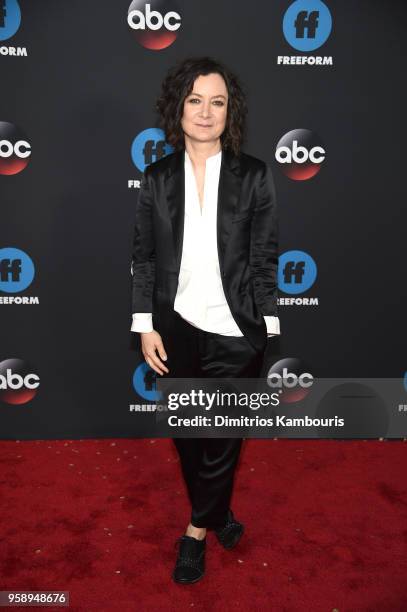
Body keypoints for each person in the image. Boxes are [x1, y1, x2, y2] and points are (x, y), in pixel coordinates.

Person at [130, 56, 280, 584]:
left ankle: (194, 533)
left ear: (228, 112)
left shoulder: (255, 174)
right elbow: (144, 257)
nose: (205, 111)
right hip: (175, 331)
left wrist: (270, 331)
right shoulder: (156, 177)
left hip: (237, 332)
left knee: (222, 437)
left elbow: (265, 259)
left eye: (217, 101)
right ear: (179, 108)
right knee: (190, 437)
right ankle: (219, 514)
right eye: (195, 99)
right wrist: (144, 324)